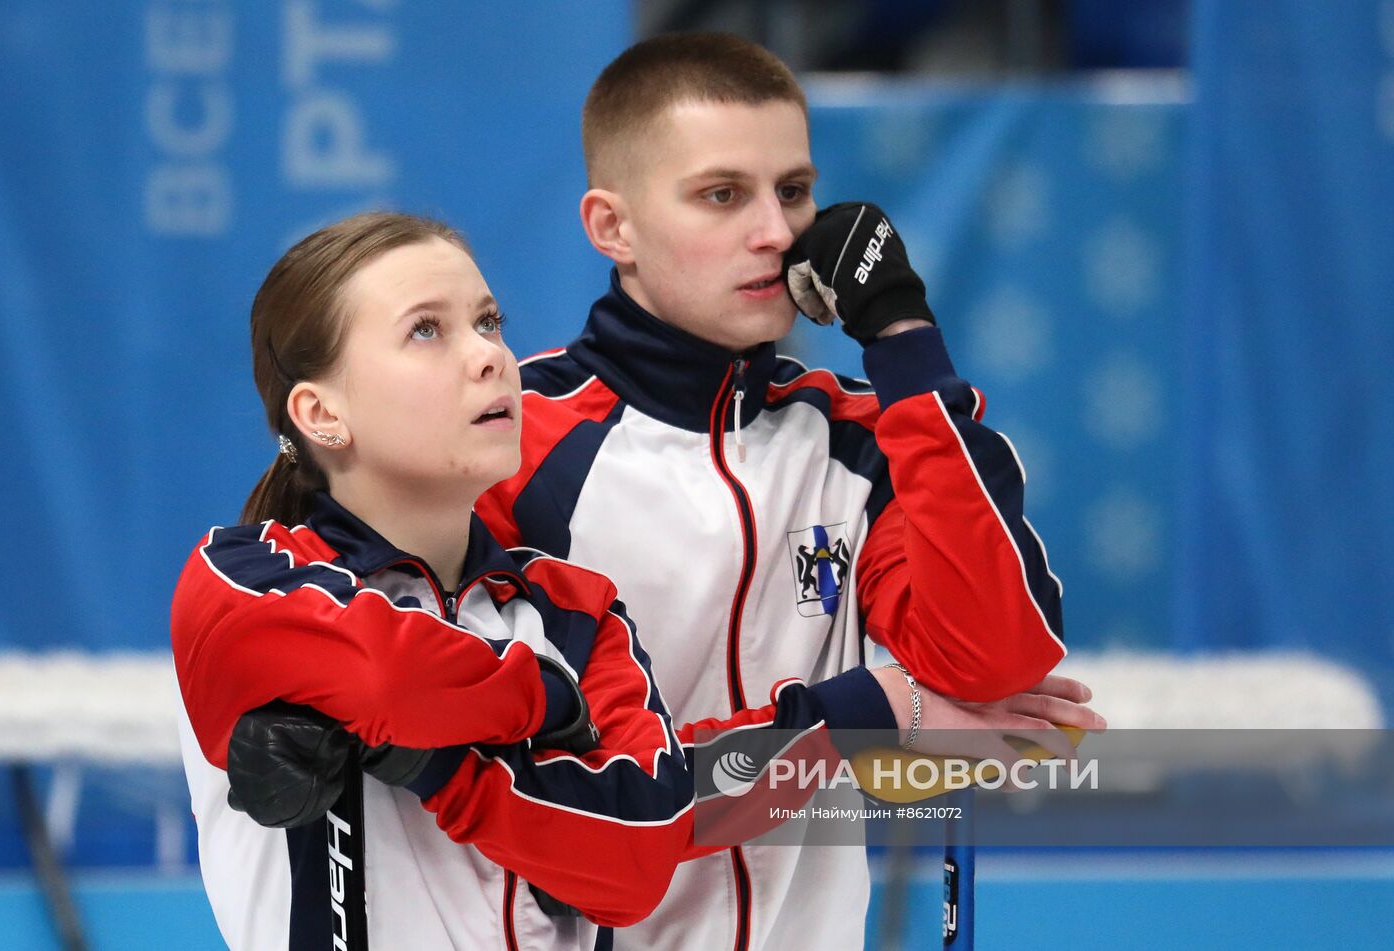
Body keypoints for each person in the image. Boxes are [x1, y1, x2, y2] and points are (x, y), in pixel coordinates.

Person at [464, 33, 1100, 951]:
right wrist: (855, 724)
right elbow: (542, 795)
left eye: (793, 191)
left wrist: (904, 339)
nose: (775, 231)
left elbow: (994, 659)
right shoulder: (510, 443)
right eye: (722, 195)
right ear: (613, 228)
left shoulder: (862, 439)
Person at [171, 212, 698, 950]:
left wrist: (436, 763)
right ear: (322, 413)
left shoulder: (578, 609)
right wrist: (547, 701)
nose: (489, 356)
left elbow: (639, 855)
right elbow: (386, 674)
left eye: (488, 321)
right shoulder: (238, 576)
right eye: (427, 330)